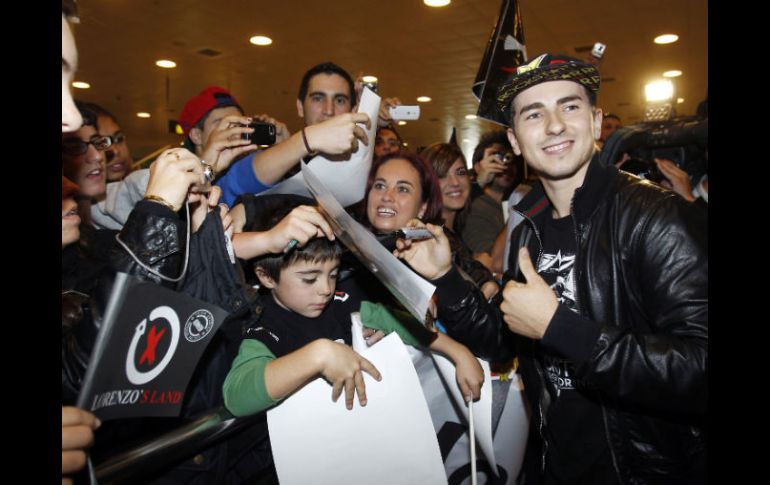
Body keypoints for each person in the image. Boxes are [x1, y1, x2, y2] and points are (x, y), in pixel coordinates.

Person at [394, 53, 707, 484]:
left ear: (596, 122)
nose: (555, 125)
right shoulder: (528, 229)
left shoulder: (655, 217)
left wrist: (561, 328)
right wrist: (446, 278)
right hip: (559, 465)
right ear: (516, 140)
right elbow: (506, 344)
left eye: (570, 106)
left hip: (645, 470)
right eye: (534, 113)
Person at [222, 199, 483, 417]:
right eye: (309, 278)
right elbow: (237, 397)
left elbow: (399, 323)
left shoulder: (341, 301)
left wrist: (458, 352)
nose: (326, 288)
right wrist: (319, 355)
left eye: (333, 274)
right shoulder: (263, 326)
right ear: (266, 276)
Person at [362, 152, 498, 299]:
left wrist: (484, 283)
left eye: (403, 189)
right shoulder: (347, 242)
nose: (387, 196)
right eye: (380, 185)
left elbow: (475, 274)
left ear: (423, 208)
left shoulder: (431, 240)